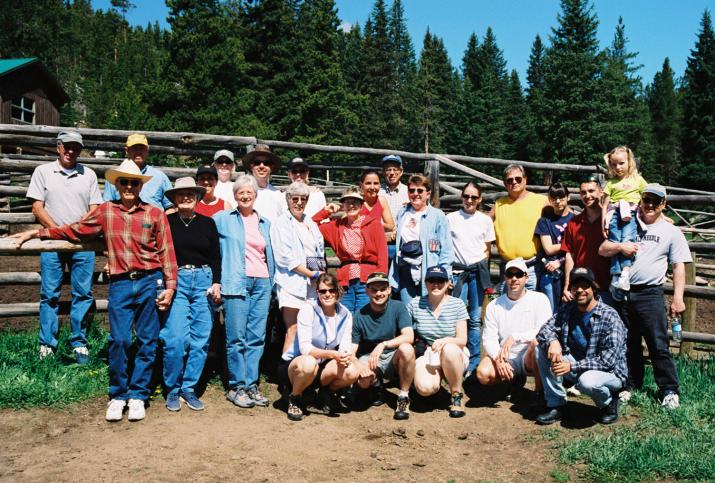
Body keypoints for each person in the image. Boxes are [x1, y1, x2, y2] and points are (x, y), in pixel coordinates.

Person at [12, 159, 177, 422]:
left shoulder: (154, 213)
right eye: (124, 182)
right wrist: (37, 233)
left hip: (150, 280)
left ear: (140, 186)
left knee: (147, 340)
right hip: (122, 282)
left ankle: (138, 394)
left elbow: (166, 251)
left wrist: (170, 286)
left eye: (134, 182)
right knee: (120, 340)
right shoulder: (106, 212)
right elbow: (75, 230)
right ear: (117, 184)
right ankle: (118, 394)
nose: (129, 187)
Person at [598, 184, 691, 409]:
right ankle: (631, 385)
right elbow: (602, 249)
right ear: (640, 200)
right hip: (623, 292)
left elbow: (679, 267)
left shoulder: (671, 232)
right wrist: (620, 246)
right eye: (646, 199)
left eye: (655, 202)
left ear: (663, 205)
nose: (649, 205)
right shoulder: (625, 220)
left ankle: (669, 390)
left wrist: (678, 297)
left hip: (650, 293)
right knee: (629, 343)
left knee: (657, 343)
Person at [26, 130, 102, 363]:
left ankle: (79, 341)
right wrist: (59, 232)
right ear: (58, 147)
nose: (71, 151)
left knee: (83, 292)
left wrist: (77, 230)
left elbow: (94, 208)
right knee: (49, 293)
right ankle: (47, 343)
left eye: (75, 147)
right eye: (67, 146)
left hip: (82, 243)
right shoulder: (43, 172)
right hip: (52, 242)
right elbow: (37, 208)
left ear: (80, 150)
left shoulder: (88, 174)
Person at [534, 267, 628, 425]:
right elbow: (544, 330)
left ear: (594, 289)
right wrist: (553, 342)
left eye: (585, 286)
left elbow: (608, 361)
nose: (580, 290)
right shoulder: (568, 308)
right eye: (575, 286)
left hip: (610, 372)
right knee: (541, 349)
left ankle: (609, 403)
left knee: (587, 381)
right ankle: (556, 404)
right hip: (577, 364)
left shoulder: (609, 315)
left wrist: (571, 366)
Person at [213, 174, 275, 409]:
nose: (246, 195)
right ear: (235, 195)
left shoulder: (265, 223)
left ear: (255, 195)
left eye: (249, 192)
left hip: (262, 283)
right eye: (241, 192)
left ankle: (251, 384)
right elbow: (210, 249)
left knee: (256, 337)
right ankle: (237, 386)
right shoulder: (222, 219)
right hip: (235, 282)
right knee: (236, 337)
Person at [161, 177, 221, 412]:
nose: (186, 197)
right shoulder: (166, 223)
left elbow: (216, 256)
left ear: (197, 197)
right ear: (174, 198)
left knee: (201, 339)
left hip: (204, 281)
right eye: (181, 194)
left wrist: (217, 282)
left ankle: (189, 387)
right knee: (175, 339)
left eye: (190, 194)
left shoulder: (208, 223)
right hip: (177, 281)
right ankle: (172, 388)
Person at [277, 273, 359, 421]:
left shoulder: (345, 314)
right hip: (297, 365)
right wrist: (333, 355)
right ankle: (294, 397)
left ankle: (325, 393)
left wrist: (344, 356)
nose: (327, 294)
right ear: (317, 293)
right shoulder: (308, 309)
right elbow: (305, 349)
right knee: (309, 363)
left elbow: (345, 345)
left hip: (321, 365)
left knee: (352, 372)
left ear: (337, 291)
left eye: (331, 290)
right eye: (322, 291)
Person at [477, 258, 551, 394]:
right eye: (510, 275)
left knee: (537, 343)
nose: (514, 279)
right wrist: (498, 359)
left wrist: (516, 337)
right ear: (505, 278)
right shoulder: (494, 305)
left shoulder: (540, 299)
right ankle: (511, 381)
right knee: (483, 374)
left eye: (519, 275)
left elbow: (545, 330)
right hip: (505, 355)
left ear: (526, 278)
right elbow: (489, 338)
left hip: (528, 355)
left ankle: (539, 393)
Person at [312, 187, 388, 313]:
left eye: (356, 202)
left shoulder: (373, 224)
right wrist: (326, 211)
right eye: (347, 202)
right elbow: (311, 225)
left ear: (362, 205)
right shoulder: (336, 226)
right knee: (345, 316)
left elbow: (382, 254)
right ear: (343, 205)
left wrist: (379, 281)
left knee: (365, 316)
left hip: (368, 280)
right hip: (345, 281)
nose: (352, 205)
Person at [271, 181, 326, 354]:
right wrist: (312, 274)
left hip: (312, 284)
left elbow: (318, 251)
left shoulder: (310, 223)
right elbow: (285, 259)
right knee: (293, 329)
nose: (299, 202)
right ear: (288, 199)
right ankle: (286, 373)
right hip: (292, 284)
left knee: (309, 329)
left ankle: (304, 372)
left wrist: (319, 275)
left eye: (304, 199)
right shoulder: (280, 223)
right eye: (295, 198)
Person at [407, 266, 469, 418]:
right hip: (428, 352)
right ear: (425, 283)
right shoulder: (415, 304)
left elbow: (462, 340)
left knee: (449, 349)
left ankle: (456, 394)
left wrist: (445, 340)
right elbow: (404, 329)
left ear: (449, 283)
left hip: (454, 351)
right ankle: (435, 387)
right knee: (424, 388)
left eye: (440, 280)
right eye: (431, 280)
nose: (436, 284)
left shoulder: (457, 304)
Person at [446, 180, 494, 376]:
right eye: (466, 196)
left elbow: (487, 250)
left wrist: (480, 268)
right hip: (457, 273)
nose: (470, 200)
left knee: (474, 319)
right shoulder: (450, 218)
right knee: (456, 317)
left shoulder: (485, 220)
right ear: (461, 197)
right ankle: (454, 359)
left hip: (476, 272)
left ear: (480, 199)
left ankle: (473, 363)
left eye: (474, 197)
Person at [352, 272, 415, 420]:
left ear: (389, 290)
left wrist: (383, 344)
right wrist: (359, 366)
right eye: (374, 290)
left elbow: (409, 336)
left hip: (393, 355)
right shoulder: (359, 315)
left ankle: (403, 397)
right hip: (371, 358)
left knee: (407, 348)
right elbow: (352, 349)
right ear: (367, 291)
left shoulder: (398, 307)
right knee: (362, 379)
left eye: (382, 289)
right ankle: (375, 385)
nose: (378, 293)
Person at [389, 174, 453, 305]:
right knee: (408, 310)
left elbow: (446, 248)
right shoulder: (403, 212)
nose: (415, 194)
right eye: (412, 190)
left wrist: (445, 275)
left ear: (428, 194)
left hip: (429, 270)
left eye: (420, 190)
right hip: (405, 269)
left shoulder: (437, 216)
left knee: (428, 312)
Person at [490, 164, 547, 290]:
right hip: (507, 269)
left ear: (525, 179)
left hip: (531, 268)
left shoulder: (541, 201)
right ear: (505, 184)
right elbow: (483, 225)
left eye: (518, 179)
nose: (514, 182)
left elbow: (563, 216)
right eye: (509, 180)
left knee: (531, 307)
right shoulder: (498, 204)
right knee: (507, 306)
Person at [601, 146, 648, 297]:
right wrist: (603, 222)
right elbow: (605, 204)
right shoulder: (611, 183)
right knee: (615, 242)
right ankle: (615, 274)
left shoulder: (638, 180)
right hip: (614, 215)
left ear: (629, 162)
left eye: (621, 163)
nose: (618, 167)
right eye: (614, 165)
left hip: (630, 214)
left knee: (627, 240)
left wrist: (662, 216)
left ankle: (625, 273)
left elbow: (646, 197)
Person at [561, 177, 613, 306]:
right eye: (583, 192)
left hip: (607, 286)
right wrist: (567, 285)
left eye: (591, 191)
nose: (587, 196)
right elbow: (570, 255)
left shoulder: (610, 220)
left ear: (601, 192)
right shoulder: (574, 223)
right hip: (581, 287)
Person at [103, 134, 172, 209]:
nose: (138, 151)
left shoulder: (160, 177)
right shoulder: (116, 177)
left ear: (147, 151)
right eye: (134, 148)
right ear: (127, 151)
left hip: (154, 219)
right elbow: (108, 206)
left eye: (142, 148)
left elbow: (170, 207)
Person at [535, 182, 574, 311]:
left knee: (568, 312)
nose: (558, 201)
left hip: (570, 272)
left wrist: (561, 260)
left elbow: (578, 249)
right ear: (549, 199)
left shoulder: (576, 220)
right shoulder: (544, 221)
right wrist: (570, 244)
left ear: (568, 197)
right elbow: (549, 249)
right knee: (549, 312)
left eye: (561, 198)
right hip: (549, 273)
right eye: (553, 198)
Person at [378, 154, 409, 263]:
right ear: (383, 172)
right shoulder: (376, 192)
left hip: (404, 244)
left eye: (395, 169)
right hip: (379, 243)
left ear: (401, 171)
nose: (391, 173)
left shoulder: (409, 192)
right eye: (388, 170)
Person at [241, 144, 284, 223]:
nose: (261, 166)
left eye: (266, 163)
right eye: (257, 162)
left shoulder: (277, 195)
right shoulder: (242, 191)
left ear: (271, 167)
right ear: (251, 166)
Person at [359, 168, 395, 236]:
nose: (372, 187)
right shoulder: (356, 200)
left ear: (380, 185)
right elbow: (345, 220)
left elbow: (391, 226)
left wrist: (376, 223)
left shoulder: (381, 200)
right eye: (368, 183)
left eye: (376, 183)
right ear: (361, 185)